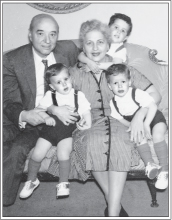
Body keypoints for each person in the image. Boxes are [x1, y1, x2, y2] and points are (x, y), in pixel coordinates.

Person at [47, 19, 161, 217]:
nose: (95, 47)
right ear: (83, 46)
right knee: (92, 141)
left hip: (121, 120)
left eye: (100, 42)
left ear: (108, 44)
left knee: (120, 141)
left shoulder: (121, 69)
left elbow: (155, 95)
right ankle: (114, 206)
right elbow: (50, 95)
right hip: (89, 123)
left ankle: (112, 211)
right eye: (89, 43)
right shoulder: (73, 74)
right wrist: (53, 109)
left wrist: (140, 116)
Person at [3, 14, 80, 206]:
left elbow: (89, 50)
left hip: (54, 123)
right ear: (30, 35)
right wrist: (24, 115)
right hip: (25, 116)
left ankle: (4, 202)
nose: (48, 41)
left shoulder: (68, 49)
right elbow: (10, 100)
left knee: (18, 149)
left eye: (53, 34)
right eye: (41, 34)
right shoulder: (13, 59)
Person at [19, 63, 91, 199]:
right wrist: (46, 116)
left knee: (63, 153)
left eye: (66, 79)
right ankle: (32, 180)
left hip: (67, 133)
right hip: (49, 132)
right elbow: (39, 110)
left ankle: (63, 183)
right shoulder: (49, 95)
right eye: (58, 82)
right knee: (37, 153)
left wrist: (87, 122)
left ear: (71, 78)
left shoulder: (78, 95)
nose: (64, 84)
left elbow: (86, 111)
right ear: (52, 86)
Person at [105, 63, 168, 189]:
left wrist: (145, 124)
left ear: (129, 81)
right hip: (137, 123)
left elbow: (152, 106)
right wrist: (133, 128)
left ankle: (165, 171)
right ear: (109, 86)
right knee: (138, 137)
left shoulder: (137, 93)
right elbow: (121, 119)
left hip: (154, 117)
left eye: (123, 81)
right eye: (115, 83)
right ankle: (150, 164)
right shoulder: (113, 103)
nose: (120, 85)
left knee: (157, 134)